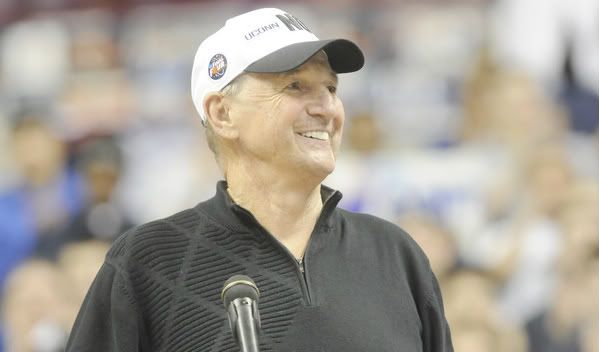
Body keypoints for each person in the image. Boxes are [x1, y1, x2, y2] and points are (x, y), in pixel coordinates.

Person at [66, 7, 453, 352]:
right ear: (222, 113)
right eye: (295, 86)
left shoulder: (394, 255)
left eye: (331, 88)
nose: (326, 107)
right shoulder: (149, 262)